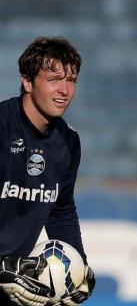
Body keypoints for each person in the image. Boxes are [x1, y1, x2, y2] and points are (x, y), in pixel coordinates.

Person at [0, 37, 95, 305]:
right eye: (54, 79)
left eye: (72, 80)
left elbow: (60, 209)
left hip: (14, 283)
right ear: (27, 82)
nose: (64, 90)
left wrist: (80, 269)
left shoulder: (68, 142)